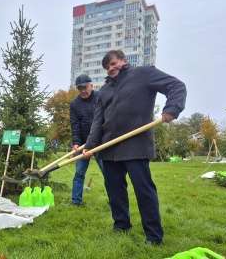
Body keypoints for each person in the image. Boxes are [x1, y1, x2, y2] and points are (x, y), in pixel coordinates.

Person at [83, 50, 187, 245]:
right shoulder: (104, 91)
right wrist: (89, 146)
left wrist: (172, 108)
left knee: (143, 190)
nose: (111, 68)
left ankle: (154, 236)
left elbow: (177, 86)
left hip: (135, 145)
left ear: (123, 60)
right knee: (115, 190)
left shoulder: (143, 74)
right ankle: (121, 225)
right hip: (109, 147)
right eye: (107, 67)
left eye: (113, 63)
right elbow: (98, 122)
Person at [70, 74, 104, 206]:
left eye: (85, 87)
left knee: (108, 173)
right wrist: (76, 143)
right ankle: (76, 201)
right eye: (80, 88)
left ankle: (115, 201)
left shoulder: (101, 97)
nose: (83, 91)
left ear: (91, 85)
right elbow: (75, 125)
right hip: (83, 144)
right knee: (79, 173)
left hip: (101, 142)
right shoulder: (74, 104)